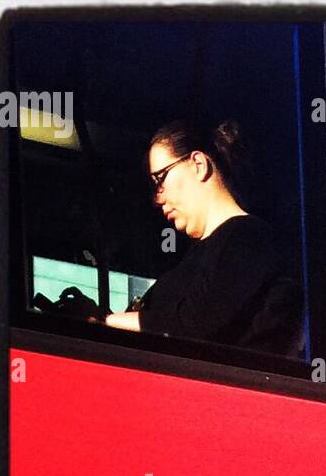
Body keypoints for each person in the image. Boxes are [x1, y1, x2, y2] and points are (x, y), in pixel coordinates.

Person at [104, 119, 303, 355]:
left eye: (160, 179)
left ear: (198, 164)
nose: (157, 199)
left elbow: (192, 325)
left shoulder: (248, 238)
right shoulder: (208, 252)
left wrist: (105, 321)